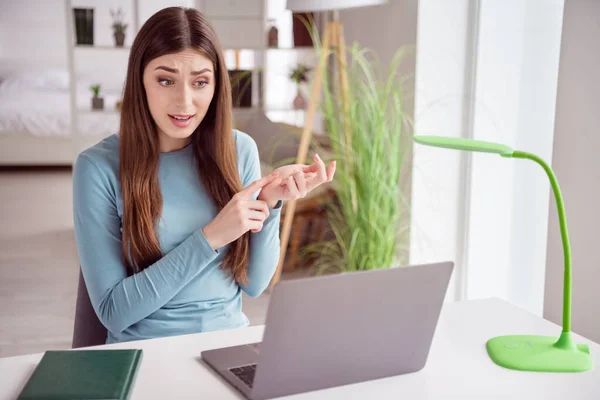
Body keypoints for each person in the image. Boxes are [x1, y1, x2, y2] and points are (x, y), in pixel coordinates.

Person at [72, 7, 335, 344]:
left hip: (228, 345)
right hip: (145, 353)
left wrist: (269, 205)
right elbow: (113, 311)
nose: (184, 102)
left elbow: (254, 285)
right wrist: (211, 236)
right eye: (165, 80)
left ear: (216, 85)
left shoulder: (239, 150)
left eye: (200, 82)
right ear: (141, 81)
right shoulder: (97, 168)